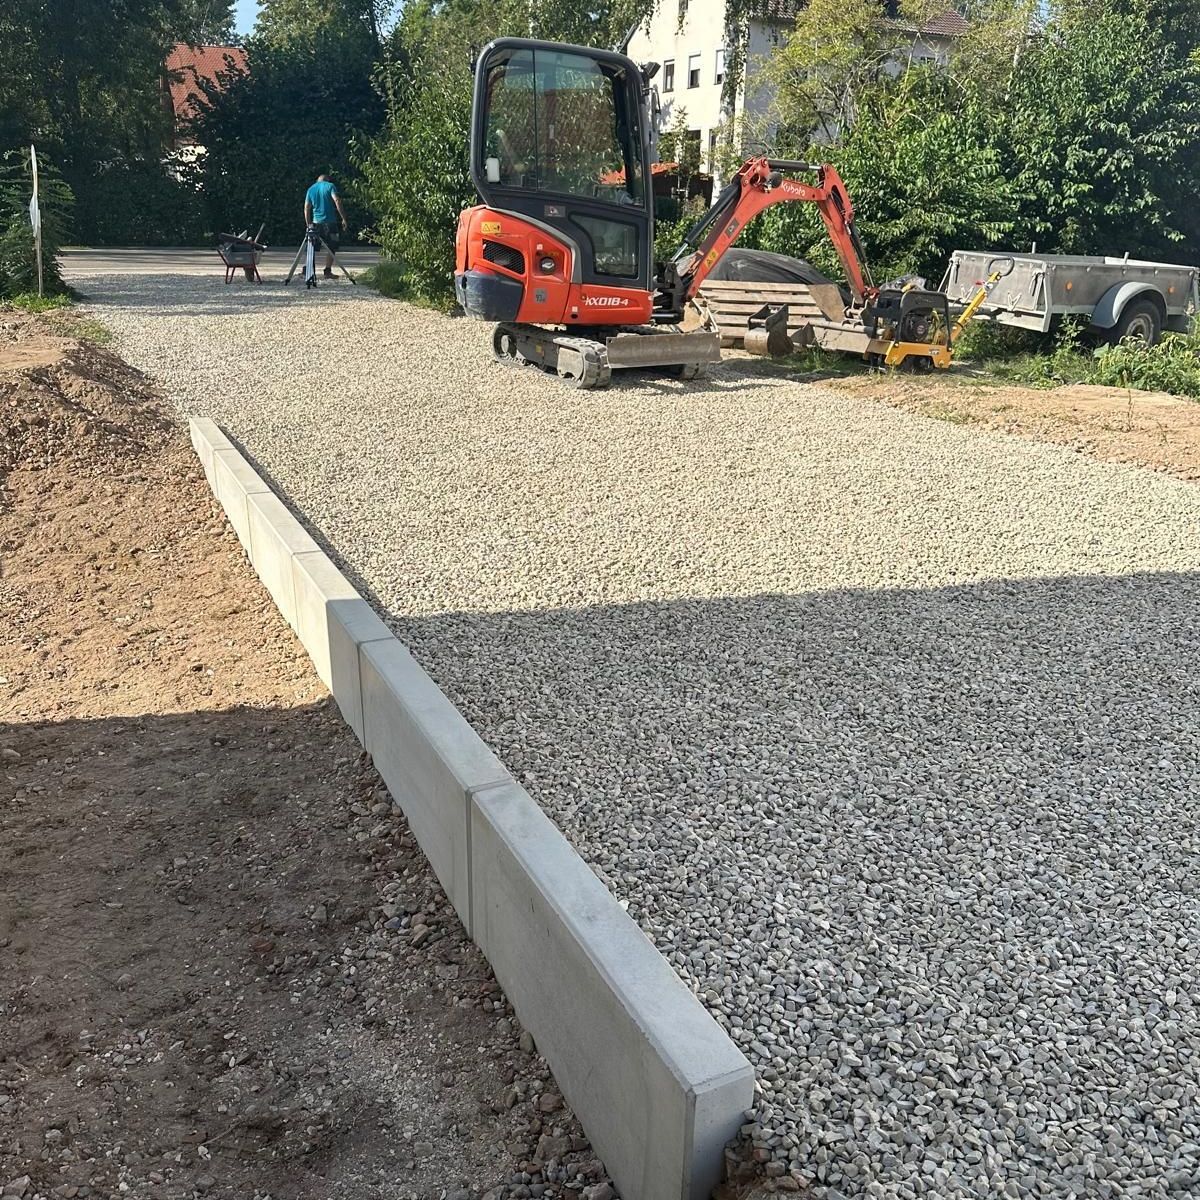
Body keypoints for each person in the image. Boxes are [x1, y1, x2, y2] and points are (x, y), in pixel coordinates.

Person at [303, 173, 347, 278]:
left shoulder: (311, 189)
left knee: (311, 247)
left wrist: (309, 224)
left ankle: (307, 270)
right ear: (327, 180)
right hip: (330, 222)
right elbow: (336, 200)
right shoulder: (330, 186)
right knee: (332, 246)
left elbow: (306, 208)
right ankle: (327, 271)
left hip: (316, 222)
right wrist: (344, 218)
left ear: (317, 180)